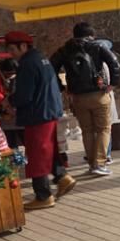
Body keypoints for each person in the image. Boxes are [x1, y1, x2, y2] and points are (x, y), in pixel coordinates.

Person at [6, 31, 76, 210]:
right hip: (49, 111)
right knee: (48, 149)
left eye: (12, 49)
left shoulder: (27, 64)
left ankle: (43, 195)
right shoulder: (41, 59)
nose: (10, 53)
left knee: (37, 155)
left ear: (23, 46)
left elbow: (24, 95)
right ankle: (62, 177)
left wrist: (10, 101)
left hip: (37, 114)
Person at [50, 22, 119, 176]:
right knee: (103, 129)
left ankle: (91, 164)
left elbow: (50, 67)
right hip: (98, 94)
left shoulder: (64, 49)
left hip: (77, 96)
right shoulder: (97, 46)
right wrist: (113, 83)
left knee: (87, 131)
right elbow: (114, 63)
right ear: (91, 35)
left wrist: (62, 87)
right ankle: (100, 163)